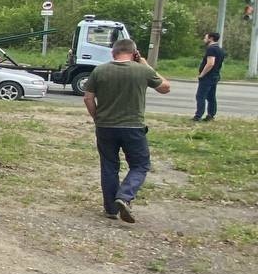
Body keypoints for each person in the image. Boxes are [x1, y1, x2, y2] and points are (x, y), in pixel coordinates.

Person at [83, 39, 171, 224]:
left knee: (109, 166)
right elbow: (165, 88)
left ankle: (110, 209)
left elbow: (88, 98)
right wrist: (145, 63)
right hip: (133, 127)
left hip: (105, 126)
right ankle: (125, 195)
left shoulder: (99, 71)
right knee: (140, 165)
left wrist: (97, 118)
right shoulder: (142, 70)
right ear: (134, 53)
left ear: (113, 53)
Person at [192, 32, 225, 122]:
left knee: (200, 96)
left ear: (211, 38)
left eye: (205, 38)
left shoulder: (211, 48)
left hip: (208, 77)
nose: (204, 40)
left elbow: (210, 63)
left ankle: (198, 116)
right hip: (215, 75)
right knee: (211, 97)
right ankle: (211, 115)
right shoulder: (220, 49)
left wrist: (202, 74)